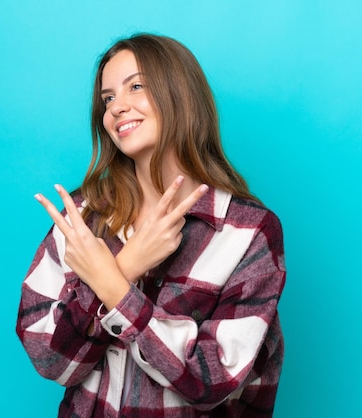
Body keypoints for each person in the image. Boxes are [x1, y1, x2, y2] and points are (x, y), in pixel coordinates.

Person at [16, 33, 286, 418]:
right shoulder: (83, 214)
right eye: (107, 98)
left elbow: (210, 382)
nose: (116, 108)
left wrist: (112, 284)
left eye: (136, 87)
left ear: (179, 94)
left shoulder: (247, 232)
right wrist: (127, 265)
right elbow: (52, 361)